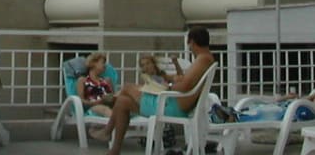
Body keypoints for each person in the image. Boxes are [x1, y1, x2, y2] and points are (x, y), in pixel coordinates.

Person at [90, 27, 215, 155]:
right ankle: (114, 150)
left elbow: (184, 86)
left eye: (189, 44)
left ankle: (107, 127)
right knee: (122, 102)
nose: (190, 48)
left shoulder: (202, 59)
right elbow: (185, 82)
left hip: (171, 106)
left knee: (127, 88)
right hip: (173, 103)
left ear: (193, 42)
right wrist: (176, 81)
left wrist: (171, 86)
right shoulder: (206, 59)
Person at [77, 52, 115, 117]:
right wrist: (98, 102)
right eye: (102, 62)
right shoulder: (83, 80)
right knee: (104, 109)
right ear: (93, 63)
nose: (104, 65)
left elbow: (114, 97)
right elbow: (81, 101)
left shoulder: (107, 80)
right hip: (93, 108)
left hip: (109, 107)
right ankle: (116, 125)